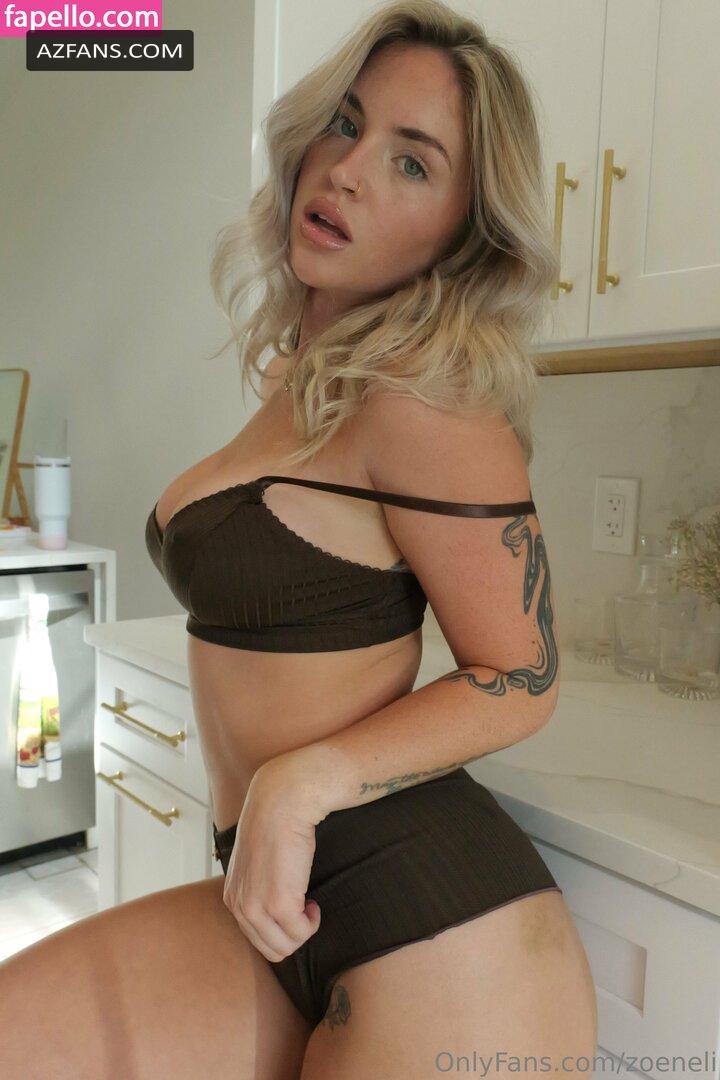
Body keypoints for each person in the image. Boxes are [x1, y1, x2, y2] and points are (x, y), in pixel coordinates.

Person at [0, 2, 597, 1076]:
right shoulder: (306, 380)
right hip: (281, 912)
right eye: (346, 125)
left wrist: (300, 780)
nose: (349, 171)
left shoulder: (424, 398)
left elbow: (523, 673)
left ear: (464, 230)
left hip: (438, 934)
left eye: (412, 162)